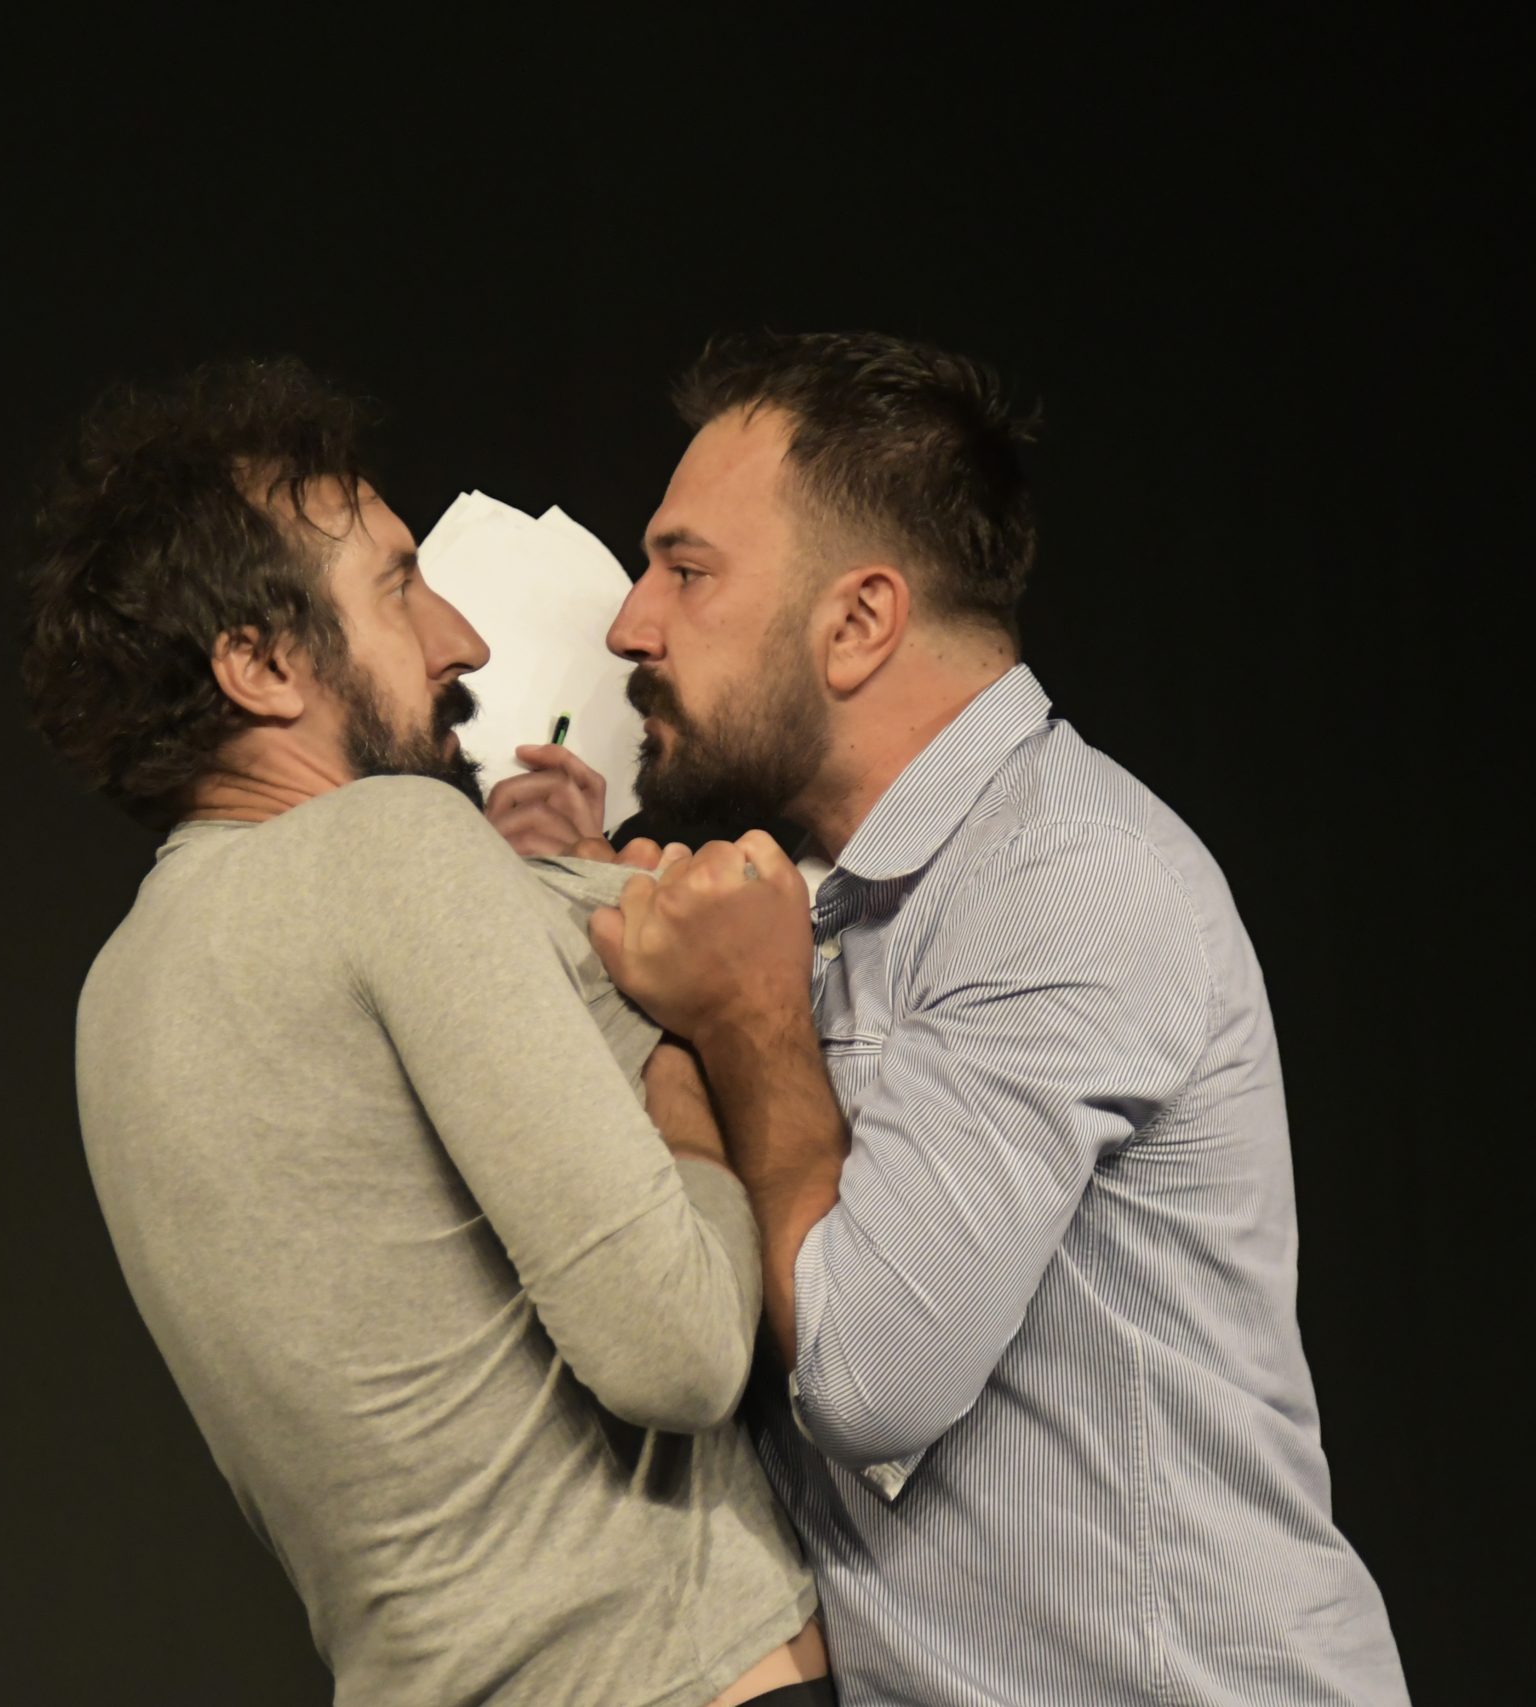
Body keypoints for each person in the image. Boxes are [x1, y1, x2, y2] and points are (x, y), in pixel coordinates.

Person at [582, 332, 1409, 1705]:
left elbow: (868, 1379)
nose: (629, 622)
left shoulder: (1066, 879)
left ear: (859, 622)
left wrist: (751, 1026)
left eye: (687, 569)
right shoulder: (814, 907)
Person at [18, 358, 829, 1707]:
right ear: (259, 664)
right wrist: (693, 1056)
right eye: (400, 586)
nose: (464, 642)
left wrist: (564, 893)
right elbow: (682, 1354)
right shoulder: (393, 845)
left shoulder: (120, 990)